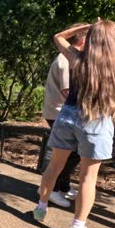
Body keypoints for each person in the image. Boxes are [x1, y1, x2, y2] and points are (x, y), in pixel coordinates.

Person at [34, 20, 115, 228]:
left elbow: (58, 36)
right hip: (97, 120)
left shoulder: (78, 58)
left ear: (92, 37)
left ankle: (40, 208)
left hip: (67, 116)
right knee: (88, 178)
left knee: (54, 166)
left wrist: (83, 28)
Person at [40, 23, 87, 207]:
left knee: (69, 153)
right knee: (70, 154)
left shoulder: (67, 57)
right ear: (83, 40)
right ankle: (52, 190)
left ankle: (63, 187)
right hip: (60, 112)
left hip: (58, 111)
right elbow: (68, 91)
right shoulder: (67, 59)